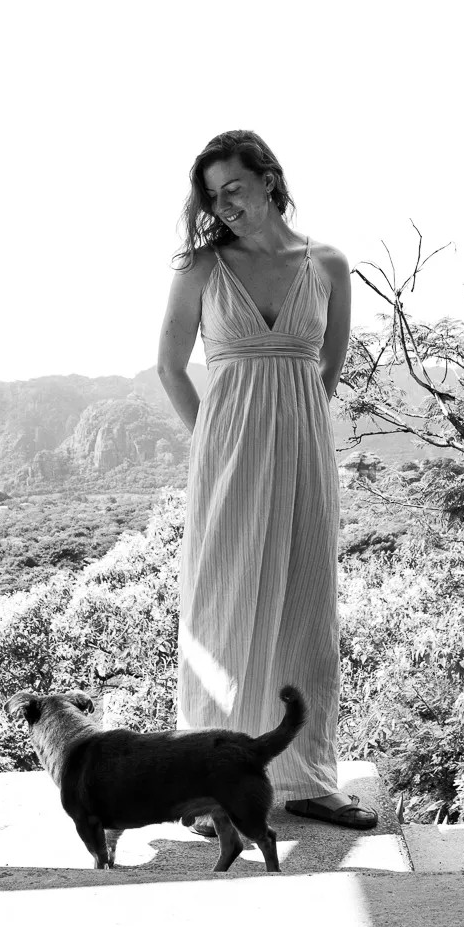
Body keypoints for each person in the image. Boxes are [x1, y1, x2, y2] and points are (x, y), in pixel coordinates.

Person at [154, 130, 377, 830]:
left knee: (305, 611)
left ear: (269, 178)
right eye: (214, 198)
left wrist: (294, 435)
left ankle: (308, 778)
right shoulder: (201, 269)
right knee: (221, 610)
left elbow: (326, 372)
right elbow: (168, 366)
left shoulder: (331, 265)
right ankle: (207, 786)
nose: (226, 207)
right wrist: (213, 445)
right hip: (225, 459)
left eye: (236, 190)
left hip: (304, 453)